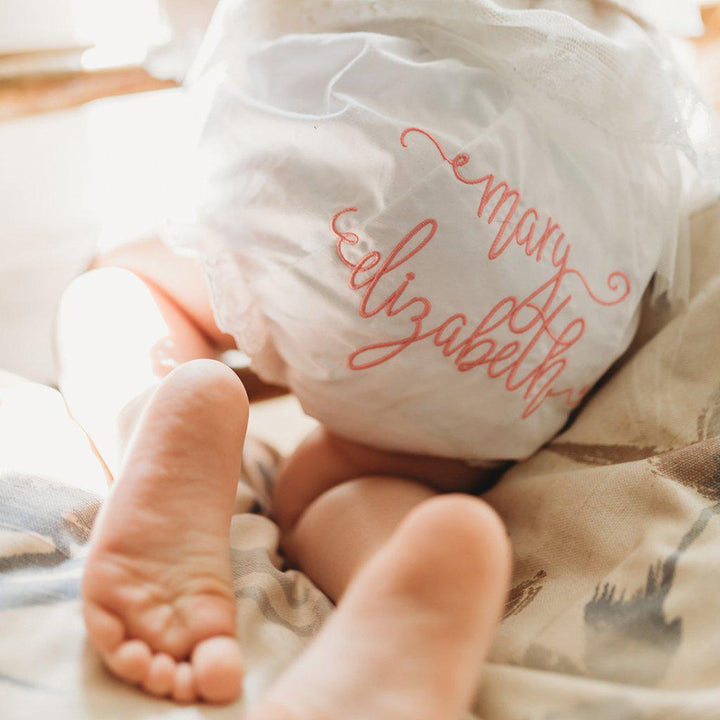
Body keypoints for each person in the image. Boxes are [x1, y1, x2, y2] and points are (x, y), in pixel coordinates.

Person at [56, 0, 707, 716]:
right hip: (557, 270)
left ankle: (168, 409)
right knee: (339, 489)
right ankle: (393, 573)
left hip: (359, 129)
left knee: (120, 284)